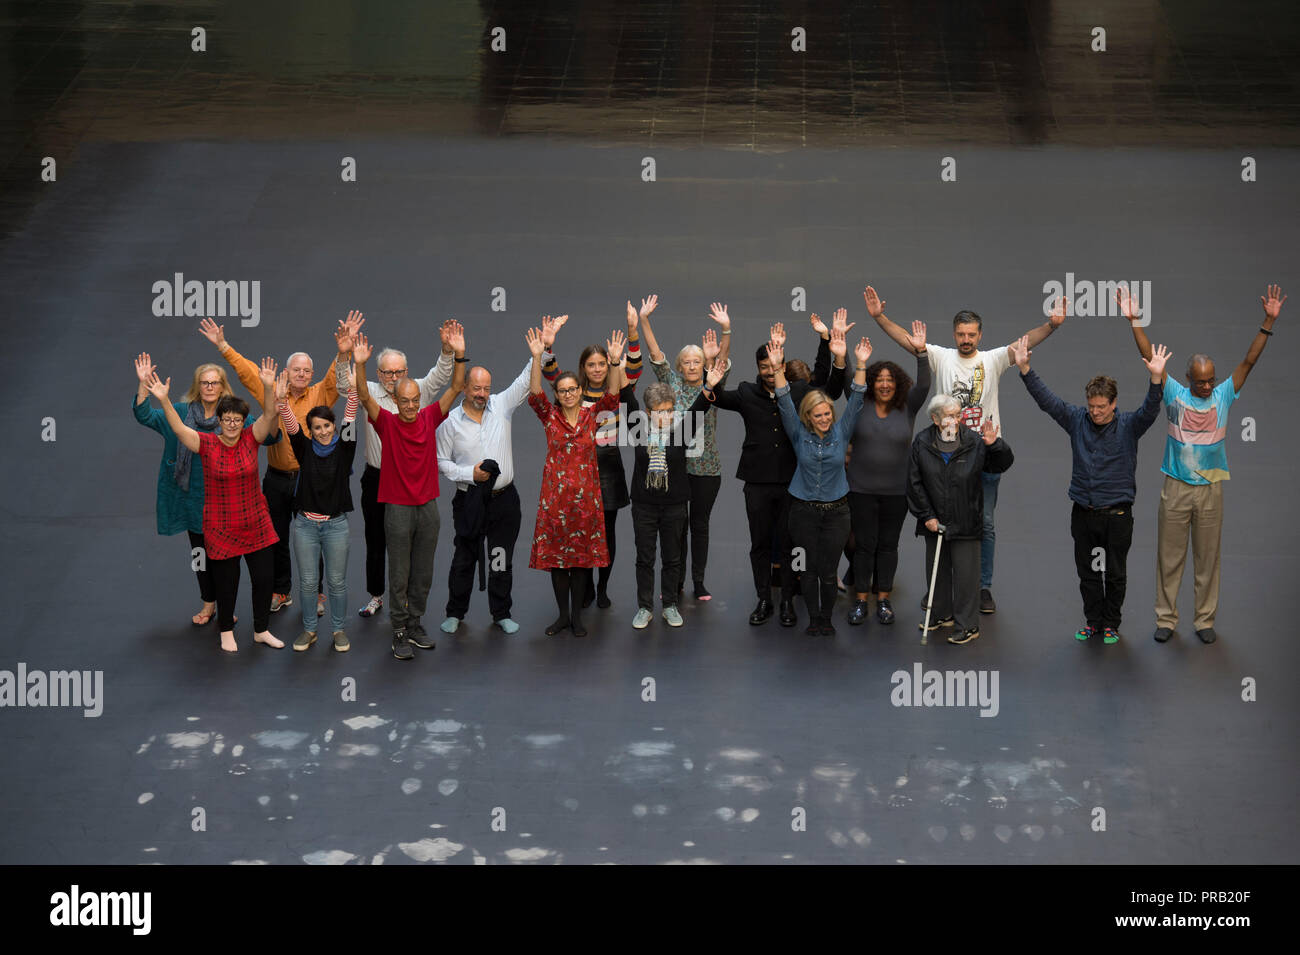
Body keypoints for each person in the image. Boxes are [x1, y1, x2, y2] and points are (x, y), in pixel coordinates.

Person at [867, 285, 1066, 614]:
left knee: (984, 523)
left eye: (971, 334)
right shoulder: (941, 356)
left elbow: (1024, 344)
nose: (965, 339)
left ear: (980, 334)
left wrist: (1052, 325)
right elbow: (907, 340)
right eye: (961, 334)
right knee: (940, 524)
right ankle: (939, 591)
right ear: (954, 334)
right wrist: (879, 318)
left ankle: (982, 587)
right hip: (944, 459)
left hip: (984, 456)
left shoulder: (993, 359)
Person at [1118, 283, 1286, 644]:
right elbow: (1150, 358)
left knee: (1208, 558)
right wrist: (1134, 320)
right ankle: (1166, 618)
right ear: (1189, 379)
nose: (1208, 386)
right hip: (1175, 487)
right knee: (1169, 556)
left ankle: (1204, 620)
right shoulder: (1174, 394)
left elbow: (1248, 361)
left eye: (1211, 380)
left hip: (1211, 488)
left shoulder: (1225, 393)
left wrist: (1267, 323)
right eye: (1202, 381)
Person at [1011, 334, 1168, 643]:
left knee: (1116, 573)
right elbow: (1049, 402)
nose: (1095, 412)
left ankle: (1111, 623)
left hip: (1118, 515)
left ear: (1113, 404)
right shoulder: (1076, 419)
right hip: (1083, 513)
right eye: (1091, 406)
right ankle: (1093, 621)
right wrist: (1026, 370)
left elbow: (1151, 410)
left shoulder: (1129, 426)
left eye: (1101, 407)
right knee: (1088, 572)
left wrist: (1156, 378)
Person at [198, 313, 357, 614]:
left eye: (306, 370)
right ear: (286, 371)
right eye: (296, 369)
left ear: (312, 374)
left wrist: (343, 352)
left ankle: (319, 594)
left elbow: (340, 377)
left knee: (318, 533)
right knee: (277, 537)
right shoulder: (273, 391)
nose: (301, 374)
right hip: (277, 478)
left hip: (312, 479)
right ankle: (281, 590)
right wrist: (223, 345)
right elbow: (246, 372)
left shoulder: (323, 391)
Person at [707, 313, 849, 628]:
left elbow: (828, 381)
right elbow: (714, 397)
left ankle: (786, 601)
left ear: (782, 365)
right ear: (758, 369)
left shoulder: (798, 391)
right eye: (765, 368)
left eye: (775, 367)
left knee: (788, 544)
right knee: (759, 543)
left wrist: (825, 340)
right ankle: (763, 600)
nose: (770, 373)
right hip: (756, 482)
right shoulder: (745, 392)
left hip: (791, 482)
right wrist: (711, 374)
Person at [146, 357, 288, 653]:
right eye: (227, 420)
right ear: (220, 422)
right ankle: (226, 631)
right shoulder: (205, 444)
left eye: (238, 419)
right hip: (221, 526)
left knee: (264, 579)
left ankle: (261, 630)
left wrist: (266, 386)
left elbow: (271, 414)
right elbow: (177, 428)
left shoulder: (252, 437)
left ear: (242, 421)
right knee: (227, 583)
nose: (233, 424)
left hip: (256, 522)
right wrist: (164, 400)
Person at [354, 325, 468, 661]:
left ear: (419, 400)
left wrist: (459, 353)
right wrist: (359, 363)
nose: (408, 406)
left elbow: (457, 385)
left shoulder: (430, 417)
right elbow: (362, 395)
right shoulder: (386, 422)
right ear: (395, 401)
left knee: (423, 571)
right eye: (403, 401)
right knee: (399, 572)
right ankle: (399, 630)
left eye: (414, 400)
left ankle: (416, 623)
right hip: (398, 510)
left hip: (428, 507)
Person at [764, 327, 870, 635]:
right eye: (818, 415)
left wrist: (859, 364)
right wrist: (777, 364)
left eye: (827, 413)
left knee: (828, 570)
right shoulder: (798, 434)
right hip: (803, 511)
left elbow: (858, 399)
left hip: (838, 512)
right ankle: (813, 620)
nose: (824, 418)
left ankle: (827, 619)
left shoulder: (841, 431)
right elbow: (783, 398)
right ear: (809, 417)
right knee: (807, 570)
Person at [527, 324, 627, 637]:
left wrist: (612, 363)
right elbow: (534, 394)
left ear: (580, 392)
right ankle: (561, 616)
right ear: (557, 395)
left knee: (582, 560)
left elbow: (612, 396)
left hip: (586, 501)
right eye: (563, 390)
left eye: (573, 389)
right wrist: (536, 357)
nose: (569, 393)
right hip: (555, 500)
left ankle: (577, 617)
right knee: (558, 561)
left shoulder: (591, 417)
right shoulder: (549, 417)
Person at [541, 304, 643, 608]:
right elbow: (550, 372)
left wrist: (632, 331)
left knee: (607, 530)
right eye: (592, 364)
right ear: (583, 368)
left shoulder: (617, 388)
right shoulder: (572, 392)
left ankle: (602, 587)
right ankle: (582, 588)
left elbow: (634, 368)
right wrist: (548, 344)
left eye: (602, 364)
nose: (597, 369)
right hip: (578, 467)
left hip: (608, 465)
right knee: (580, 530)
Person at [132, 353, 239, 628]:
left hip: (225, 500)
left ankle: (226, 608)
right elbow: (144, 415)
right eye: (205, 383)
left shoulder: (233, 416)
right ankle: (208, 602)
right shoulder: (178, 412)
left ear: (223, 386)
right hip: (192, 499)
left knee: (225, 557)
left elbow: (263, 434)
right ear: (197, 386)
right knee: (200, 555)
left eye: (215, 383)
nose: (210, 387)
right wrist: (144, 385)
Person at [434, 347, 535, 636]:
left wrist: (541, 350)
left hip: (504, 501)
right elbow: (441, 461)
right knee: (465, 557)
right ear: (464, 388)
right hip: (469, 500)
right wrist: (470, 474)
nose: (482, 393)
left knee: (500, 557)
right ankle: (455, 613)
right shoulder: (450, 422)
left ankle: (501, 613)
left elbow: (525, 380)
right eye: (476, 388)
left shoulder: (501, 405)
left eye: (486, 388)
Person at [641, 299, 733, 600]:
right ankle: (676, 581)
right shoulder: (672, 383)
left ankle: (699, 581)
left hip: (707, 468)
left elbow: (721, 363)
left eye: (697, 361)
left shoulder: (712, 383)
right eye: (687, 362)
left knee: (700, 525)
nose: (693, 366)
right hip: (677, 467)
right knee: (676, 528)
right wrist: (644, 321)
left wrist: (726, 331)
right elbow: (655, 355)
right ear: (680, 367)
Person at [845, 320, 932, 626]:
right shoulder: (859, 402)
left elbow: (924, 385)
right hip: (860, 489)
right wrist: (845, 354)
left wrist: (921, 353)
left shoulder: (907, 406)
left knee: (888, 546)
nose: (884, 384)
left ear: (897, 384)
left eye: (889, 380)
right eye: (879, 379)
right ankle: (860, 600)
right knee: (864, 545)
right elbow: (846, 379)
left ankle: (883, 600)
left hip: (896, 491)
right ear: (871, 382)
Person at [907, 395, 1013, 645]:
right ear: (935, 419)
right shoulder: (922, 442)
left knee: (966, 577)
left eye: (958, 415)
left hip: (966, 521)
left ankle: (968, 625)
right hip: (935, 521)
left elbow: (1002, 464)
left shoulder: (974, 441)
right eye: (949, 416)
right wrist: (927, 516)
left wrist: (995, 445)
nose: (956, 420)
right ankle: (942, 614)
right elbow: (914, 483)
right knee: (937, 570)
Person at [624, 378, 717, 628]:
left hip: (675, 505)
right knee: (645, 558)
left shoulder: (681, 431)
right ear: (648, 413)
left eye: (669, 410)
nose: (665, 416)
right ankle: (644, 607)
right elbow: (628, 398)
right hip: (644, 506)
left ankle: (670, 605)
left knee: (672, 558)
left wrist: (710, 386)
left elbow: (699, 407)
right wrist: (617, 369)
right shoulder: (638, 430)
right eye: (659, 411)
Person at [279, 378, 360, 653]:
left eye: (327, 425)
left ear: (333, 426)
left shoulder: (345, 448)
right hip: (305, 527)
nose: (323, 431)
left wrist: (352, 392)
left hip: (336, 526)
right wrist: (281, 402)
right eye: (317, 427)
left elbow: (351, 417)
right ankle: (310, 630)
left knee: (337, 583)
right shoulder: (304, 449)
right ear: (310, 430)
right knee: (309, 582)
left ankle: (338, 630)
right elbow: (291, 426)